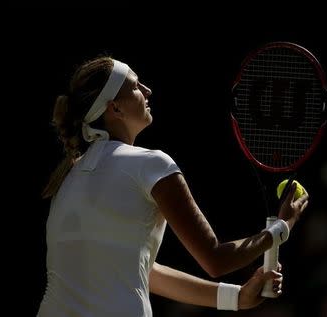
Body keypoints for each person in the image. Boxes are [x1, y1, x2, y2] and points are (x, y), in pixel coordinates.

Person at [37, 55, 309, 317]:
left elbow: (142, 269)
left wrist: (235, 298)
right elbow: (216, 260)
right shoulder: (152, 165)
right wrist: (282, 227)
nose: (147, 90)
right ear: (115, 108)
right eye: (135, 86)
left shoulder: (67, 178)